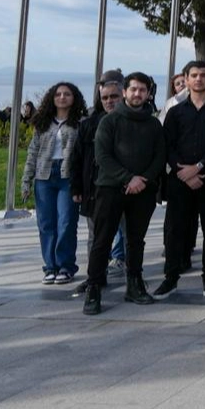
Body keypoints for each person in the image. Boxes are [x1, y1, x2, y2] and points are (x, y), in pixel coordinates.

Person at [82, 73, 165, 315]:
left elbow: (159, 156)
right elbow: (103, 156)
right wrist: (128, 178)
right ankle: (94, 288)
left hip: (143, 190)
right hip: (110, 188)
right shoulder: (109, 121)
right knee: (102, 240)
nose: (138, 94)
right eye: (133, 89)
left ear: (148, 93)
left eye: (142, 90)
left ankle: (134, 284)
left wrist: (143, 179)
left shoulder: (153, 124)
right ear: (125, 92)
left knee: (135, 240)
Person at [155, 60, 205, 299]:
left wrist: (198, 167)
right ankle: (171, 278)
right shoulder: (175, 111)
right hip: (180, 180)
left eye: (203, 75)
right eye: (194, 75)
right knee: (175, 230)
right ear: (186, 79)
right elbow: (167, 145)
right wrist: (182, 172)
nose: (199, 79)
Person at [21, 81, 85, 285]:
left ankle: (65, 265)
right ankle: (50, 266)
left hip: (68, 176)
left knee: (66, 222)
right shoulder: (43, 123)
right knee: (46, 224)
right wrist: (26, 180)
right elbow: (33, 152)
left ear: (74, 98)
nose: (62, 97)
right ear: (52, 98)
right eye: (58, 94)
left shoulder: (80, 123)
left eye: (67, 94)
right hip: (44, 176)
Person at [71, 72, 126, 288]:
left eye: (114, 96)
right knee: (95, 237)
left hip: (126, 188)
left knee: (129, 235)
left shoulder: (134, 121)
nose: (109, 101)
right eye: (105, 98)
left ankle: (133, 277)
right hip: (95, 189)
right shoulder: (88, 124)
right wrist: (76, 186)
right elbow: (77, 158)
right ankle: (95, 277)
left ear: (123, 95)